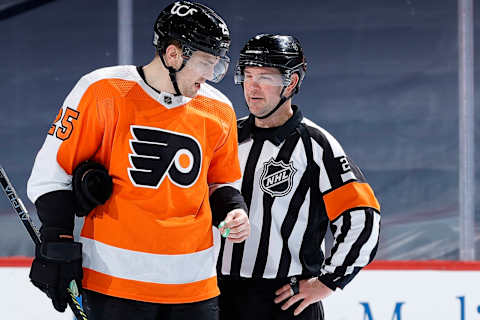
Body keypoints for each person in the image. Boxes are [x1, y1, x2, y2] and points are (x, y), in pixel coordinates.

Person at [26, 2, 250, 319]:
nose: (211, 75)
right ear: (174, 55)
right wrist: (57, 239)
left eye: (217, 65)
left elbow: (221, 181)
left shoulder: (219, 109)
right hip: (114, 284)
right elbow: (52, 174)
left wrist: (233, 212)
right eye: (205, 63)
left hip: (194, 286)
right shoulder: (104, 91)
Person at [217, 34, 381, 320]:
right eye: (248, 75)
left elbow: (363, 218)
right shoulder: (225, 135)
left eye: (265, 77)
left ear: (291, 83)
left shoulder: (317, 145)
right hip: (219, 295)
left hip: (285, 302)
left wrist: (328, 282)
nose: (252, 86)